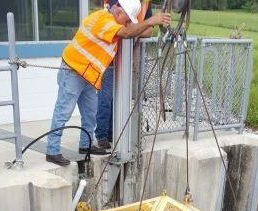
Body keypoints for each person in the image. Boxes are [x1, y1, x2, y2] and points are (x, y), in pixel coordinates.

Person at [46, 1, 171, 166]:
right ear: (119, 12)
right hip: (73, 71)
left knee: (90, 113)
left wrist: (148, 25)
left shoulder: (111, 19)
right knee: (63, 112)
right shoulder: (104, 21)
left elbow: (135, 32)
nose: (127, 24)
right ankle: (52, 151)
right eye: (127, 20)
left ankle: (86, 145)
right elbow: (126, 33)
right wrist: (149, 21)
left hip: (88, 74)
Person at [95, 0, 153, 150]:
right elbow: (122, 29)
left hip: (126, 59)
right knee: (105, 98)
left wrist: (133, 29)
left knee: (119, 98)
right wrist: (133, 29)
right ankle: (101, 134)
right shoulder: (119, 3)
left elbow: (148, 31)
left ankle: (111, 133)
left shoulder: (144, 4)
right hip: (109, 58)